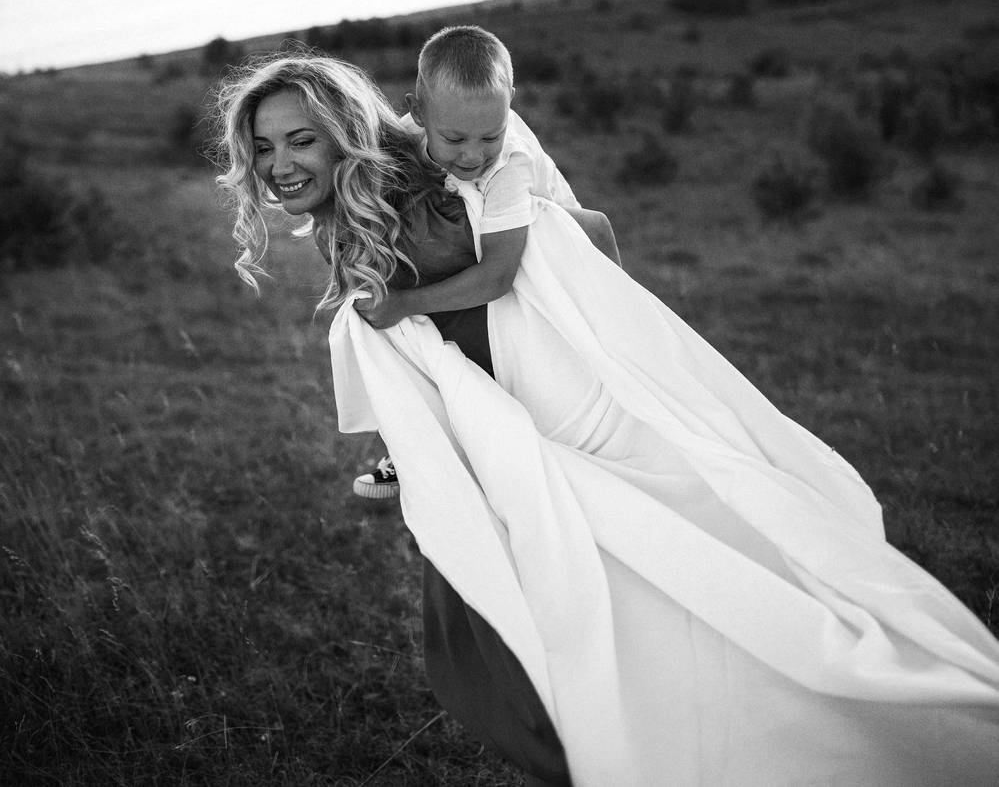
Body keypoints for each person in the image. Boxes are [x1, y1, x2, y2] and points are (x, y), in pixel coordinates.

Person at [216, 52, 999, 787]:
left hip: (548, 429)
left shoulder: (429, 197)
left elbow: (580, 233)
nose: (278, 164)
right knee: (561, 617)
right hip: (501, 434)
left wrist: (601, 353)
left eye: (300, 140)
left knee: (609, 610)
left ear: (345, 133)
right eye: (263, 146)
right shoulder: (372, 204)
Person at [352, 24, 620, 501]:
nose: (473, 155)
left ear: (509, 105)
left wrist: (406, 302)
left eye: (490, 136)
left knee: (500, 349)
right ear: (417, 110)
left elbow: (498, 275)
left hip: (544, 259)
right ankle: (414, 439)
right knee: (411, 318)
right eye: (454, 139)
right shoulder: (403, 136)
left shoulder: (508, 164)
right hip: (479, 235)